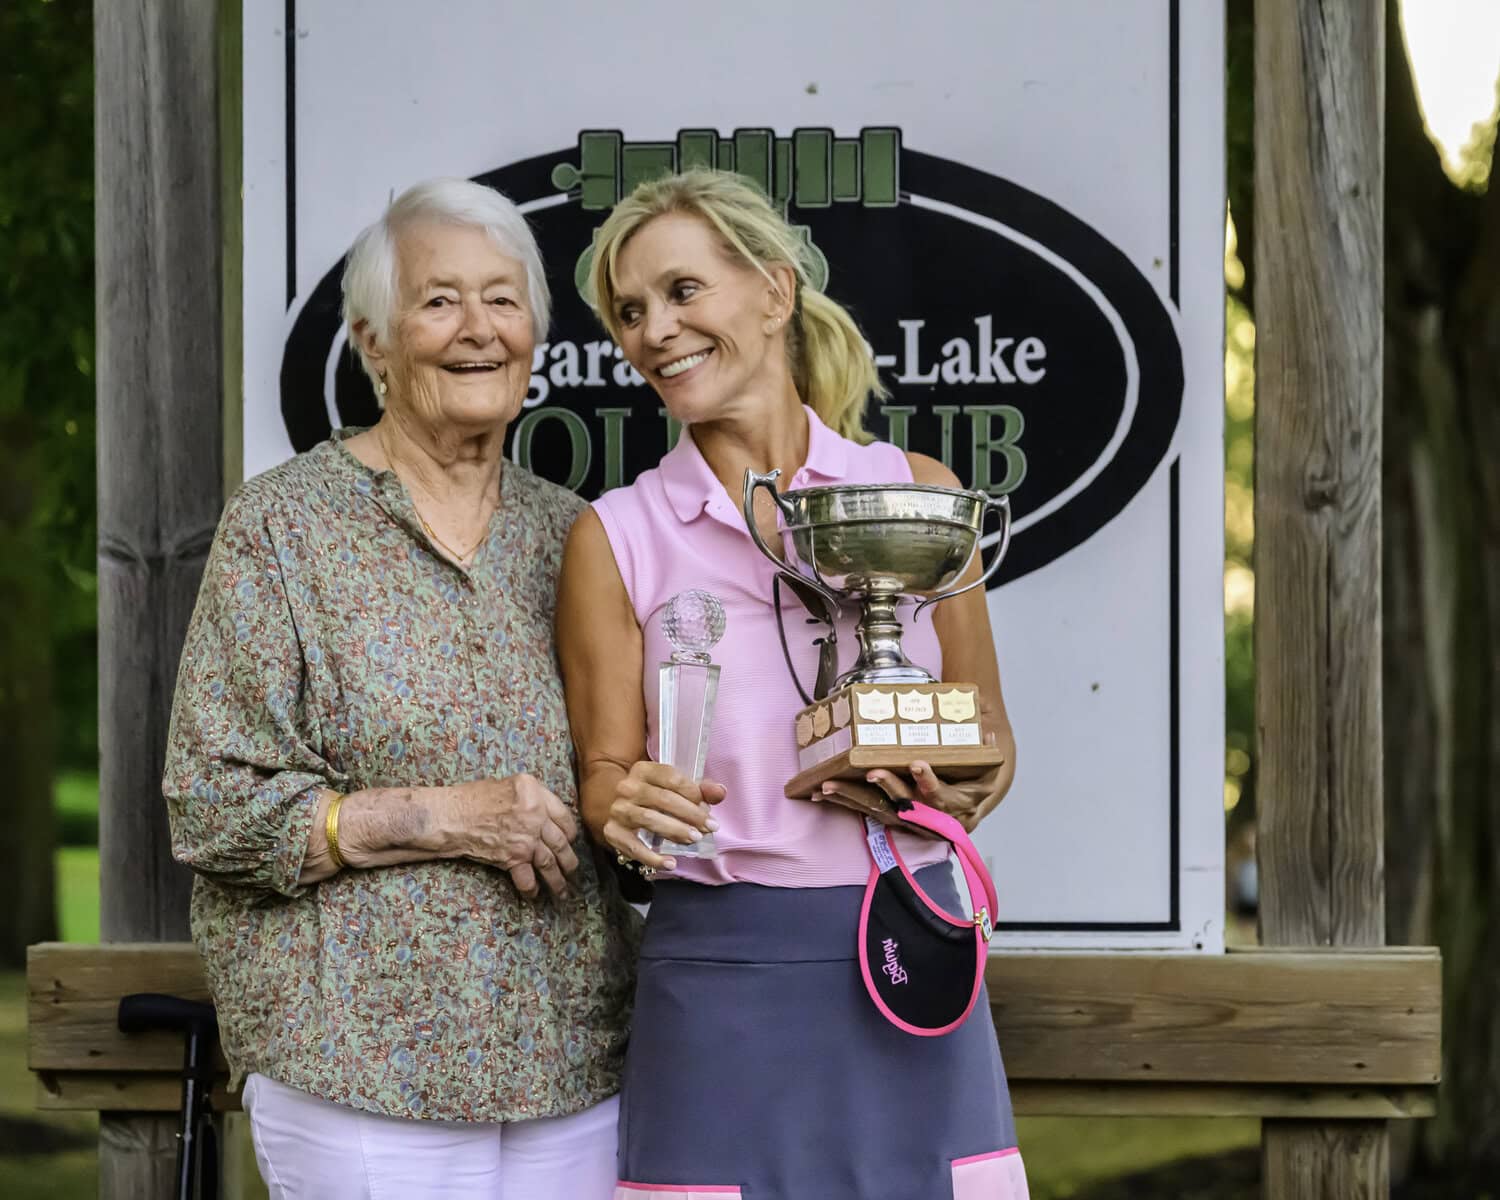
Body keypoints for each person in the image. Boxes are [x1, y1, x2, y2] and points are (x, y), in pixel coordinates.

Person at [557, 168, 1028, 1199]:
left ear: (773, 295)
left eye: (684, 291)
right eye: (630, 312)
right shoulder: (616, 535)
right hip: (722, 966)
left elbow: (988, 729)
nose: (655, 330)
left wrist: (963, 788)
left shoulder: (919, 495)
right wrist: (621, 802)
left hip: (917, 941)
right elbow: (604, 774)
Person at [162, 178, 638, 1200]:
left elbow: (625, 773)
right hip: (360, 1068)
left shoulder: (577, 533)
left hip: (574, 1059)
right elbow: (212, 807)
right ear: (374, 343)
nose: (479, 330)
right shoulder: (285, 529)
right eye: (439, 301)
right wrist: (443, 818)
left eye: (504, 301)